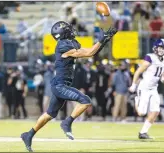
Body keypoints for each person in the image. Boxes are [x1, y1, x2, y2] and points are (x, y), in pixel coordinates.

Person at [21, 21, 117, 152]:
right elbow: (89, 53)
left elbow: (90, 51)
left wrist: (104, 39)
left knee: (49, 114)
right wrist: (102, 39)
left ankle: (29, 134)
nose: (71, 30)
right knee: (85, 101)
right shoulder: (63, 46)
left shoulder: (70, 43)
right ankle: (67, 122)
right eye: (68, 29)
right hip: (60, 85)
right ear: (63, 34)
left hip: (61, 84)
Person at [129, 39, 164, 139]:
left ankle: (143, 132)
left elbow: (162, 75)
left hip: (153, 88)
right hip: (144, 87)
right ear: (155, 48)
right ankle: (136, 99)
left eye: (163, 48)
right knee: (141, 113)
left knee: (156, 111)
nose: (161, 50)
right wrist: (133, 84)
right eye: (160, 48)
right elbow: (138, 71)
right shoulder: (150, 57)